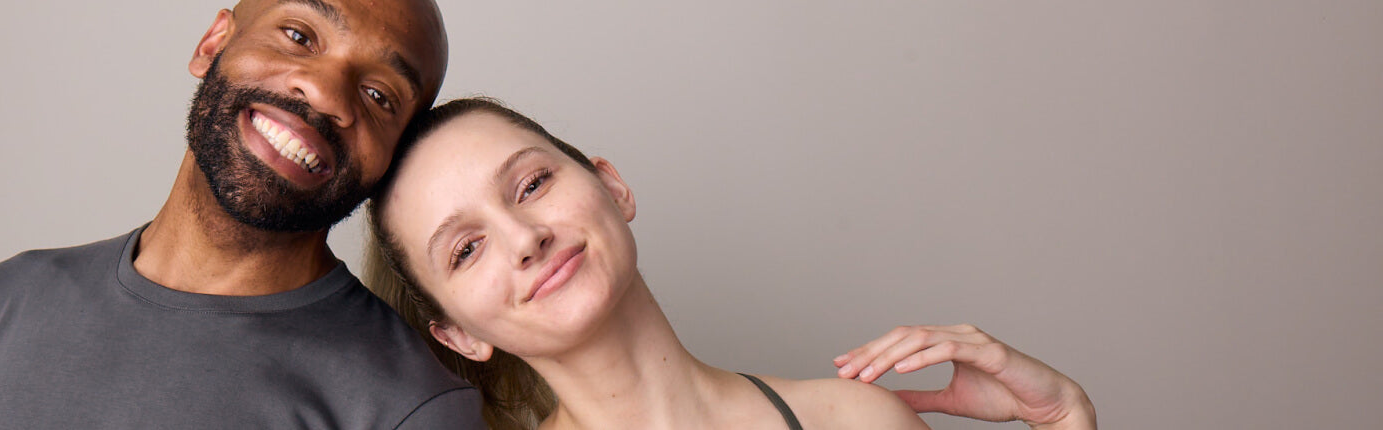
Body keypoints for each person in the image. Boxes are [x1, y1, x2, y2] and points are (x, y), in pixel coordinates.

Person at [364, 97, 1097, 429]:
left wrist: (1063, 418)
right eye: (466, 249)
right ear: (457, 335)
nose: (524, 237)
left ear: (611, 185)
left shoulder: (854, 422)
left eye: (532, 184)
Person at [0, 0, 481, 428]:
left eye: (380, 95)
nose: (325, 93)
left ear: (391, 161)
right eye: (298, 35)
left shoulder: (413, 405)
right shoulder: (4, 300)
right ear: (213, 42)